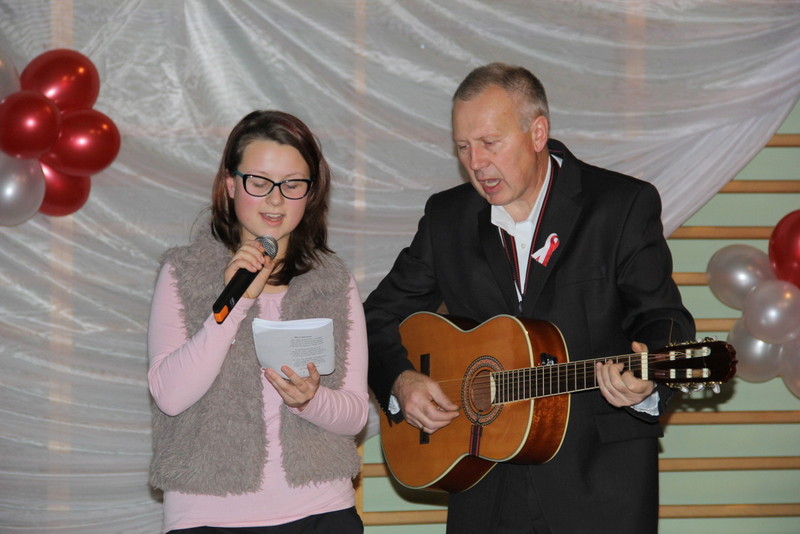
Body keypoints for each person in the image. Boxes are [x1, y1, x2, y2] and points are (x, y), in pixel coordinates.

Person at [364, 63, 695, 533]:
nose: (476, 163)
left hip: (598, 489)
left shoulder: (619, 205)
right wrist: (401, 380)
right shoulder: (447, 217)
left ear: (537, 133)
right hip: (484, 486)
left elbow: (663, 317)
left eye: (490, 142)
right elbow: (376, 316)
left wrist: (648, 378)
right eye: (463, 147)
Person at [147, 110, 368, 533]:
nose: (276, 199)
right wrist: (235, 304)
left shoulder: (332, 281)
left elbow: (356, 414)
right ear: (230, 184)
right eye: (259, 182)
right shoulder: (183, 272)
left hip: (321, 510)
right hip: (208, 516)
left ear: (311, 192)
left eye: (293, 184)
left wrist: (310, 400)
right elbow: (170, 396)